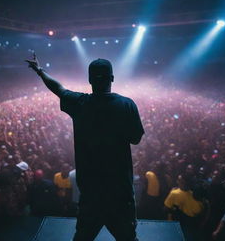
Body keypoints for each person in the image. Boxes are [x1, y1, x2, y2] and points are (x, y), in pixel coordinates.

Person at [26, 54, 144, 241]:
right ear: (112, 78)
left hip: (90, 191)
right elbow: (136, 138)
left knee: (83, 237)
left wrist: (40, 71)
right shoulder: (126, 104)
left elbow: (58, 88)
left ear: (89, 80)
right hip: (120, 190)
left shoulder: (79, 103)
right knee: (128, 237)